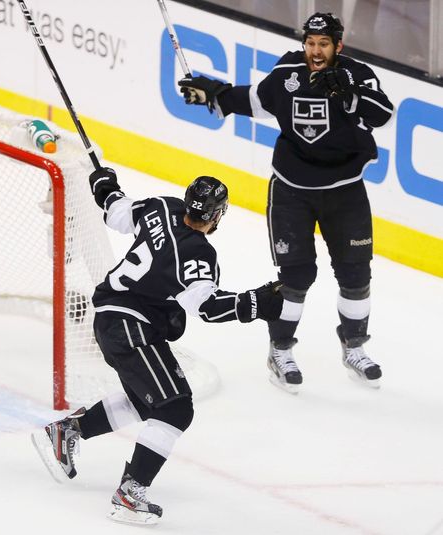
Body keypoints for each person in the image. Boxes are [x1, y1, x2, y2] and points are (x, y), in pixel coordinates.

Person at [32, 167, 283, 525]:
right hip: (130, 325)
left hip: (116, 320)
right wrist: (256, 302)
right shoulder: (197, 252)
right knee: (176, 408)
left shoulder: (161, 207)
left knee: (147, 398)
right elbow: (207, 307)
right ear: (216, 215)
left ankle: (67, 431)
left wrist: (105, 185)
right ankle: (130, 493)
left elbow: (115, 211)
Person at [177, 12, 394, 393]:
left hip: (345, 191)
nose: (315, 50)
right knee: (296, 277)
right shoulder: (289, 70)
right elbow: (258, 100)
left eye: (324, 44)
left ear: (338, 46)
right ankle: (280, 350)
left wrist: (350, 94)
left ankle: (354, 346)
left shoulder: (357, 74)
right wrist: (214, 93)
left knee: (356, 275)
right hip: (292, 189)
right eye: (311, 43)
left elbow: (384, 115)